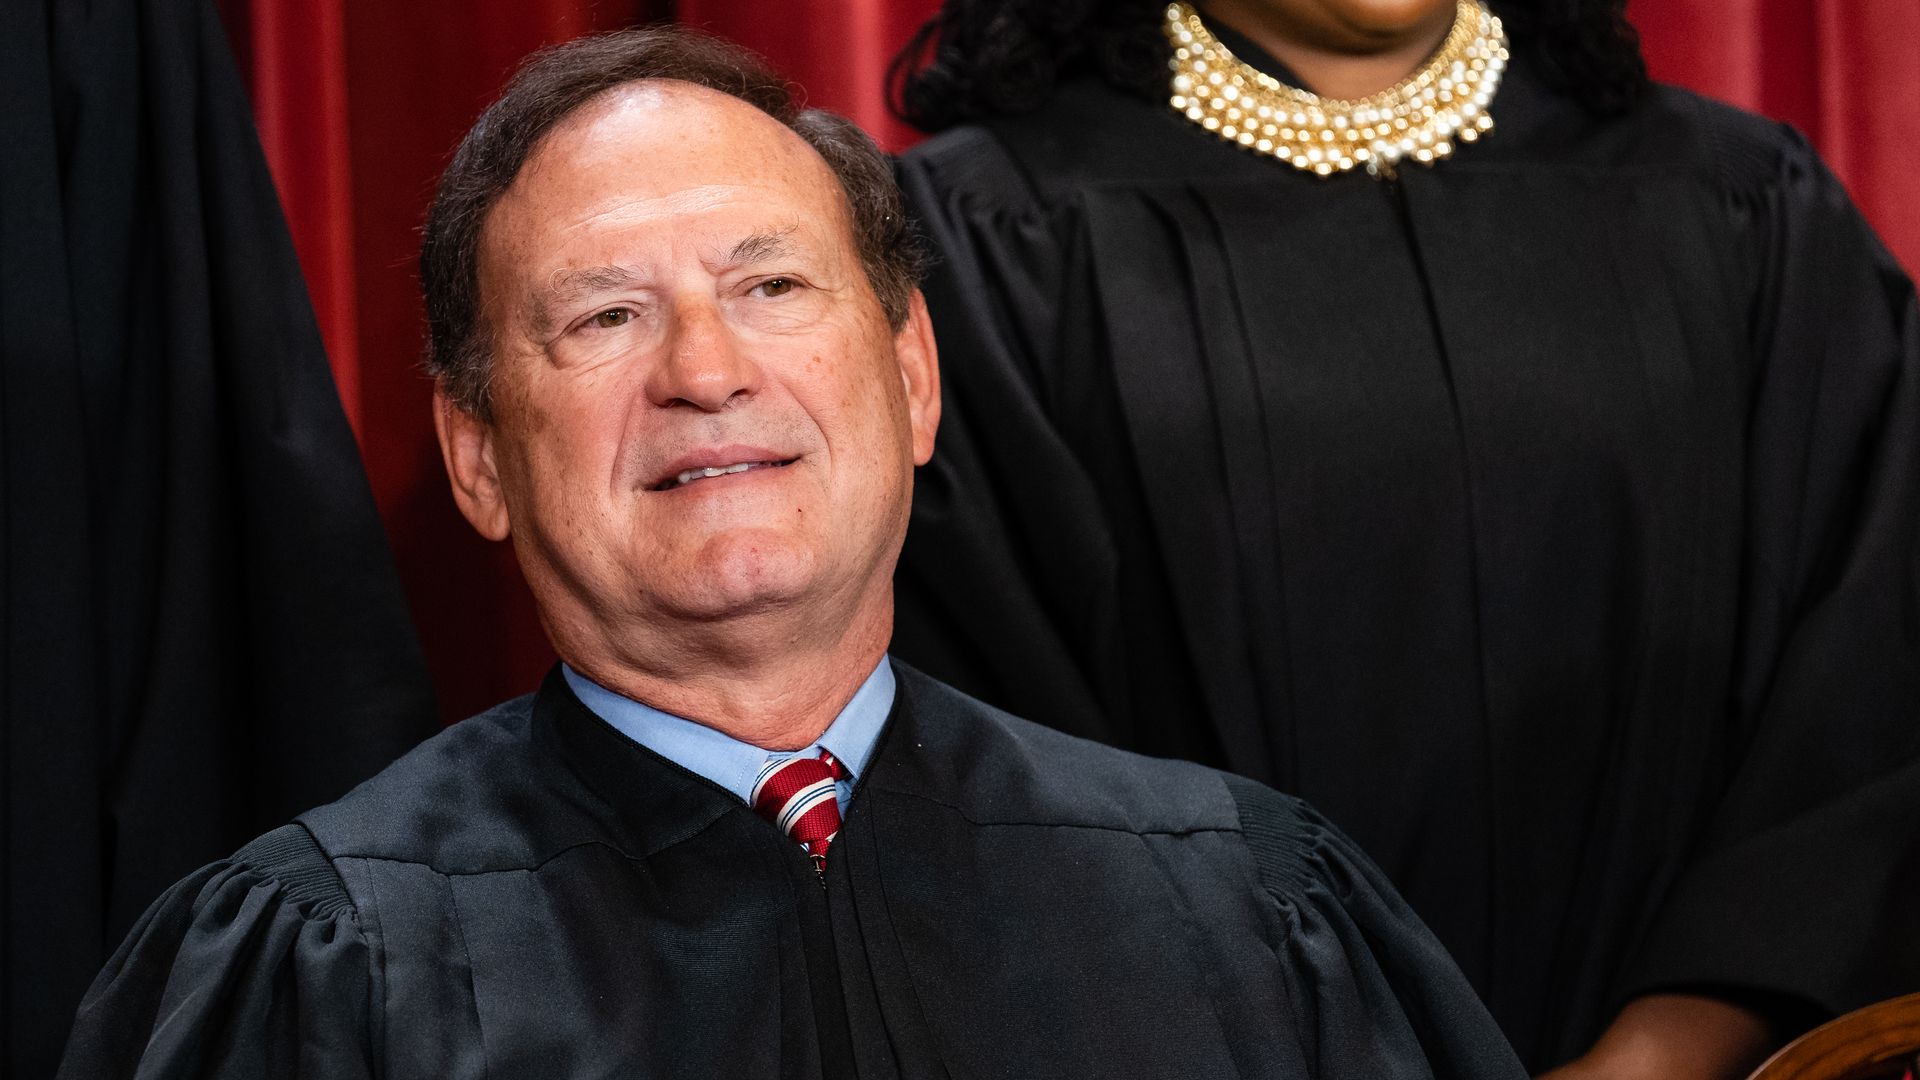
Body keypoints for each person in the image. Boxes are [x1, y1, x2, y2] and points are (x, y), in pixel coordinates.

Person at [54, 26, 1528, 1080]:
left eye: (770, 283)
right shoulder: (317, 970)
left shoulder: (1254, 915)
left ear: (914, 380)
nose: (706, 369)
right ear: (479, 456)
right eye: (605, 315)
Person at [886, 0, 1920, 1077]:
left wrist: (1671, 1049)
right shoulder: (980, 235)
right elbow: (987, 732)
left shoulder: (1740, 197)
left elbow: (1868, 662)